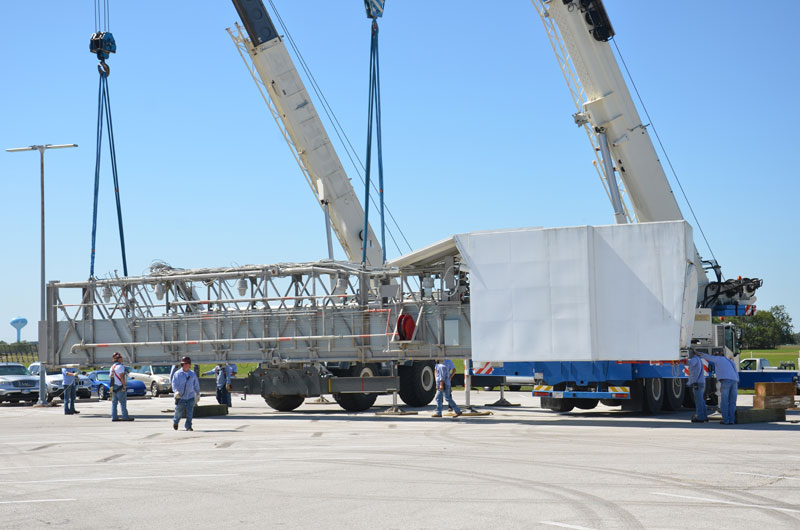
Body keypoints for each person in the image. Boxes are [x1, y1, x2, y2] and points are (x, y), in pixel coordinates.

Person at [699, 351, 739, 425]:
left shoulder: (718, 359)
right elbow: (736, 372)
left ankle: (726, 420)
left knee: (724, 401)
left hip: (726, 381)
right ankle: (732, 420)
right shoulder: (729, 361)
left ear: (717, 355)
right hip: (734, 381)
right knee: (732, 402)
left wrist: (698, 353)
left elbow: (708, 357)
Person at [172, 356, 200, 431]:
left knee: (190, 413)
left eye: (189, 363)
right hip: (181, 397)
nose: (188, 365)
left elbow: (196, 384)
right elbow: (174, 384)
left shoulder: (192, 374)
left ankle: (188, 426)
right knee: (179, 411)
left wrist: (197, 393)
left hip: (190, 396)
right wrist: (176, 392)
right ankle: (176, 421)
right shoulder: (177, 374)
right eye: (186, 363)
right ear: (183, 364)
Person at [109, 352, 134, 422]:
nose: (122, 359)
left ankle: (114, 417)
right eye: (121, 358)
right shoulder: (120, 366)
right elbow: (122, 377)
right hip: (120, 386)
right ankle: (125, 416)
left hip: (113, 386)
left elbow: (111, 377)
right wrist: (124, 385)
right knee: (123, 402)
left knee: (114, 403)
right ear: (118, 359)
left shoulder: (112, 367)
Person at [686, 351, 707, 423]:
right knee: (701, 400)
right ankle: (704, 416)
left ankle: (700, 417)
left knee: (699, 401)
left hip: (697, 383)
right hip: (700, 382)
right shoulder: (698, 359)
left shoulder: (694, 359)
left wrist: (682, 360)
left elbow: (690, 363)